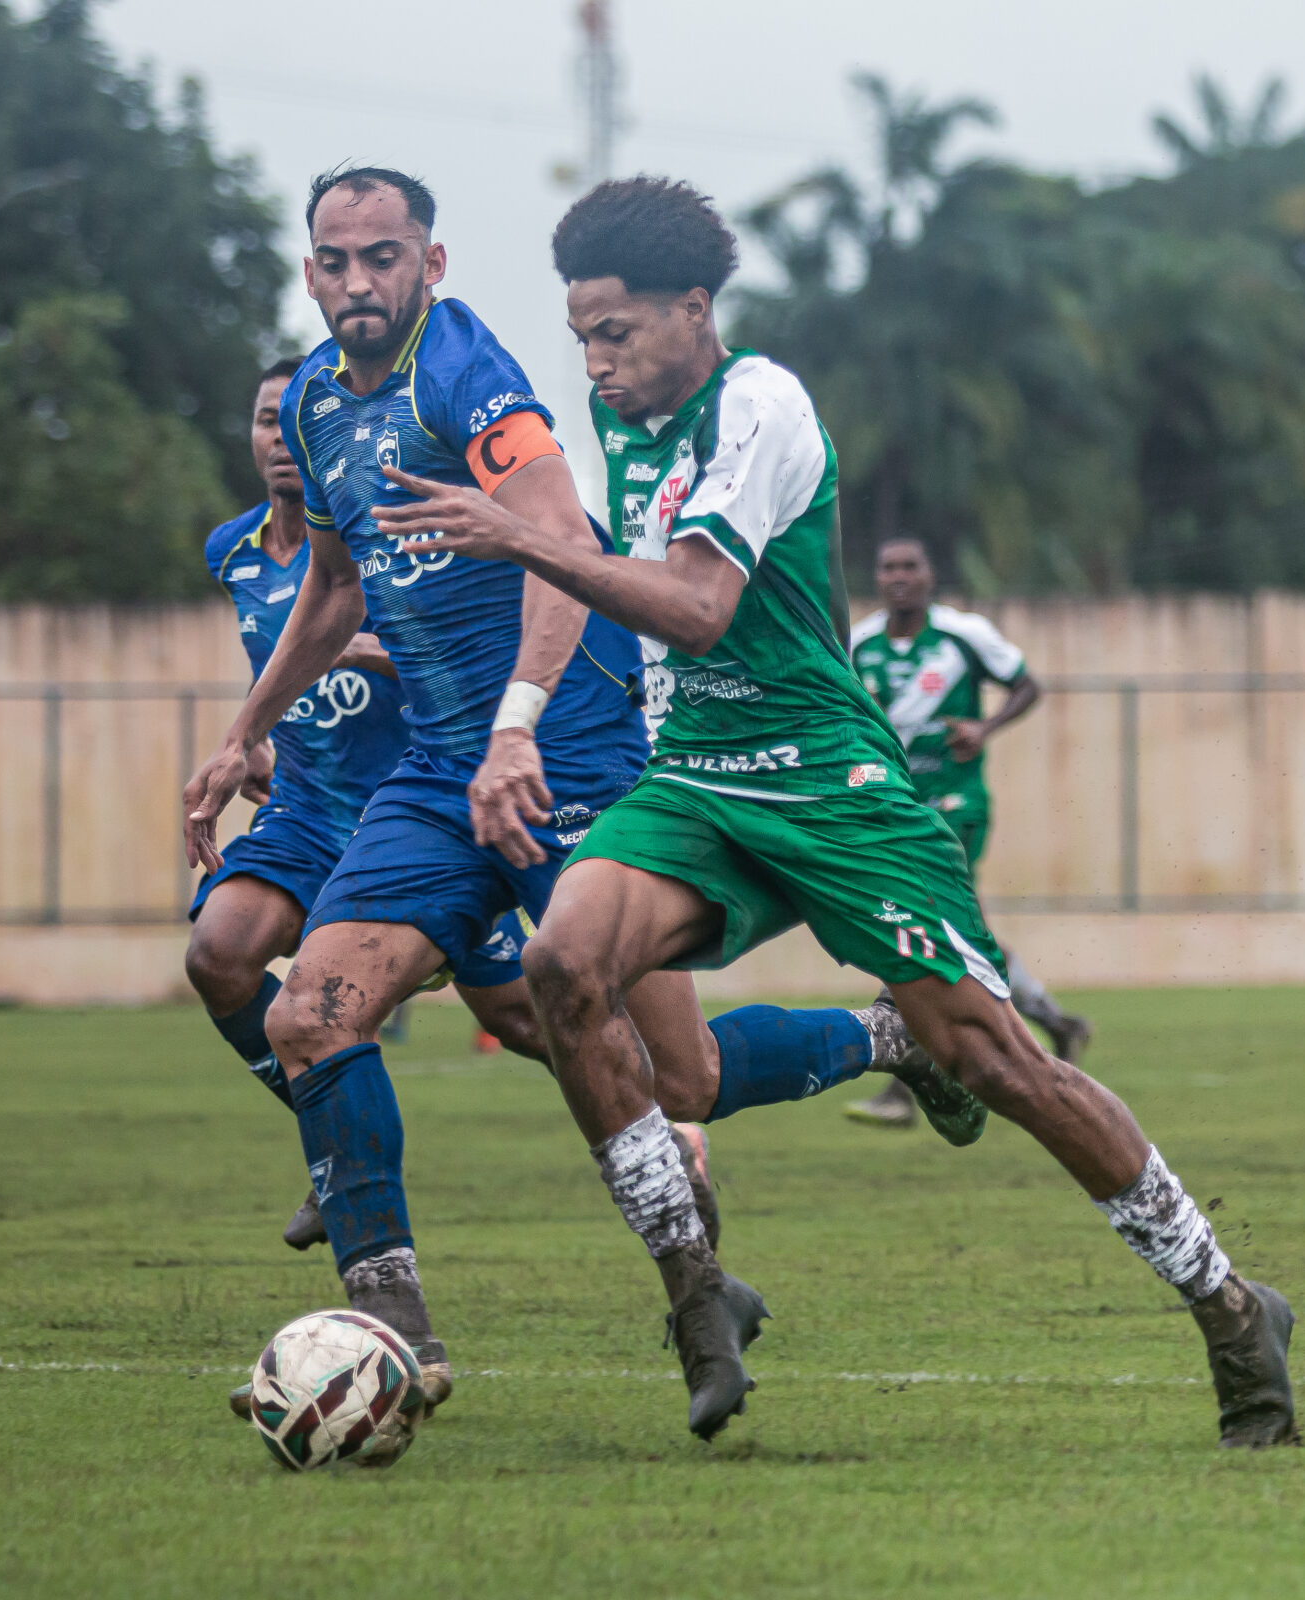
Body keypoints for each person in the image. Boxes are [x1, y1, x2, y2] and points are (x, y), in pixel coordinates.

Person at [372, 175, 1297, 1451]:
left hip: (831, 784)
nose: (595, 361)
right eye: (580, 332)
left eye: (616, 332)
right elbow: (613, 589)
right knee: (560, 965)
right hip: (694, 774)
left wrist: (520, 538)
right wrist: (514, 720)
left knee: (997, 1062)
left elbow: (693, 603)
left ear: (694, 311)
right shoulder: (617, 405)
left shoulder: (762, 406)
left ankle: (1234, 1309)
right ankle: (700, 1297)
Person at [183, 168, 941, 1430]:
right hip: (437, 766)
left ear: (430, 265)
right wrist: (241, 732)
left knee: (677, 1075)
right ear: (310, 272)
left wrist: (521, 721)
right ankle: (394, 1333)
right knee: (312, 1016)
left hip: (575, 749)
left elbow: (555, 543)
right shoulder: (317, 404)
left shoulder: (466, 375)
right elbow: (330, 589)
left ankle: (844, 1103)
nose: (358, 282)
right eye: (335, 260)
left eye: (384, 257)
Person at [184, 358, 538, 1254]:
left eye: (290, 423)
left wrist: (347, 651)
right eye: (265, 422)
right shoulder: (231, 551)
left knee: (532, 1018)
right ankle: (334, 1151)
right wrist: (252, 735)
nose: (278, 439)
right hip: (306, 808)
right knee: (220, 955)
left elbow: (424, 650)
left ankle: (668, 1111)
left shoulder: (381, 537)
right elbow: (275, 659)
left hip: (411, 806)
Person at [842, 536, 1093, 1128]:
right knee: (954, 930)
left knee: (915, 920)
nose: (898, 576)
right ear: (876, 578)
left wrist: (985, 726)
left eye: (910, 566)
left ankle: (909, 1082)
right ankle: (1055, 1024)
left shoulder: (963, 635)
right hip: (895, 803)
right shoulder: (858, 643)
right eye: (887, 567)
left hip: (956, 800)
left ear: (930, 576)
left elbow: (1027, 685)